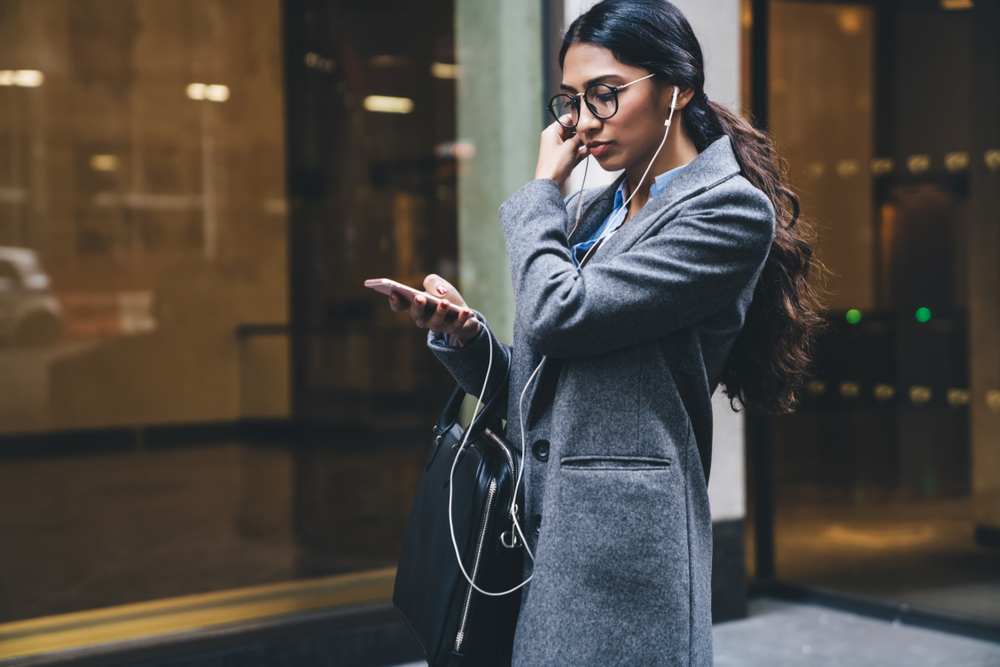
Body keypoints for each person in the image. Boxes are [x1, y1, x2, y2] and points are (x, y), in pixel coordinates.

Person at [384, 0, 824, 664]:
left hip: (625, 560)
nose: (585, 122)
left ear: (677, 89)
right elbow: (541, 385)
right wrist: (465, 337)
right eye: (572, 100)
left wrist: (540, 192)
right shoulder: (597, 209)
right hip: (542, 535)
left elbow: (561, 314)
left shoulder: (727, 211)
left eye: (605, 96)